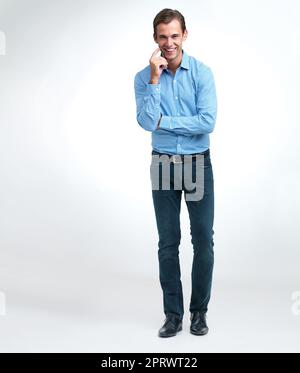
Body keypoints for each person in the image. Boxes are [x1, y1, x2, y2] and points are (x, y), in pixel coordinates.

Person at [134, 8, 217, 338]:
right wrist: (155, 81)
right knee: (168, 243)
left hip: (197, 163)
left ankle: (199, 313)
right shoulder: (143, 77)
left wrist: (165, 123)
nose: (169, 42)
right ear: (155, 38)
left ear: (184, 35)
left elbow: (207, 122)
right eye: (163, 36)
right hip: (164, 163)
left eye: (174, 35)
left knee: (203, 243)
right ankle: (173, 315)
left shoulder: (202, 73)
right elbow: (144, 122)